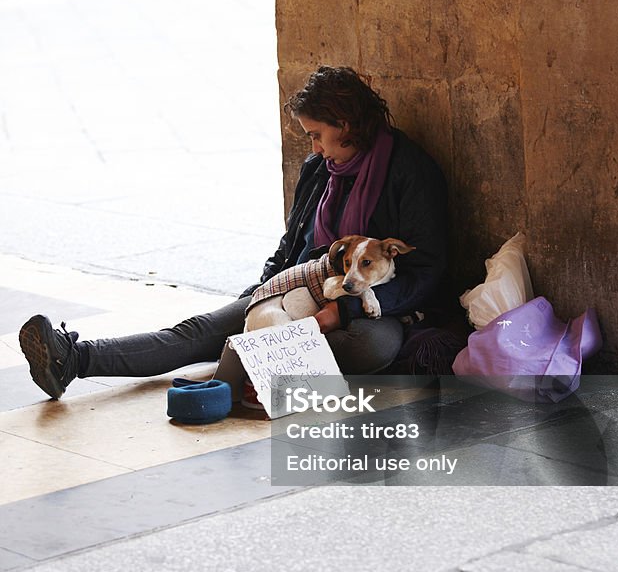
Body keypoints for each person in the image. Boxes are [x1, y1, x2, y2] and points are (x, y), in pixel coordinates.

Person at [19, 66, 449, 402]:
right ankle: (73, 358)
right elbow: (292, 244)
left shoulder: (408, 171)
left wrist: (345, 313)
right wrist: (263, 288)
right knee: (196, 332)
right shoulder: (320, 170)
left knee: (369, 347)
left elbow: (425, 271)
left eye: (318, 135)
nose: (314, 148)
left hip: (373, 308)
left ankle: (261, 362)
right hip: (298, 287)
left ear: (346, 123)